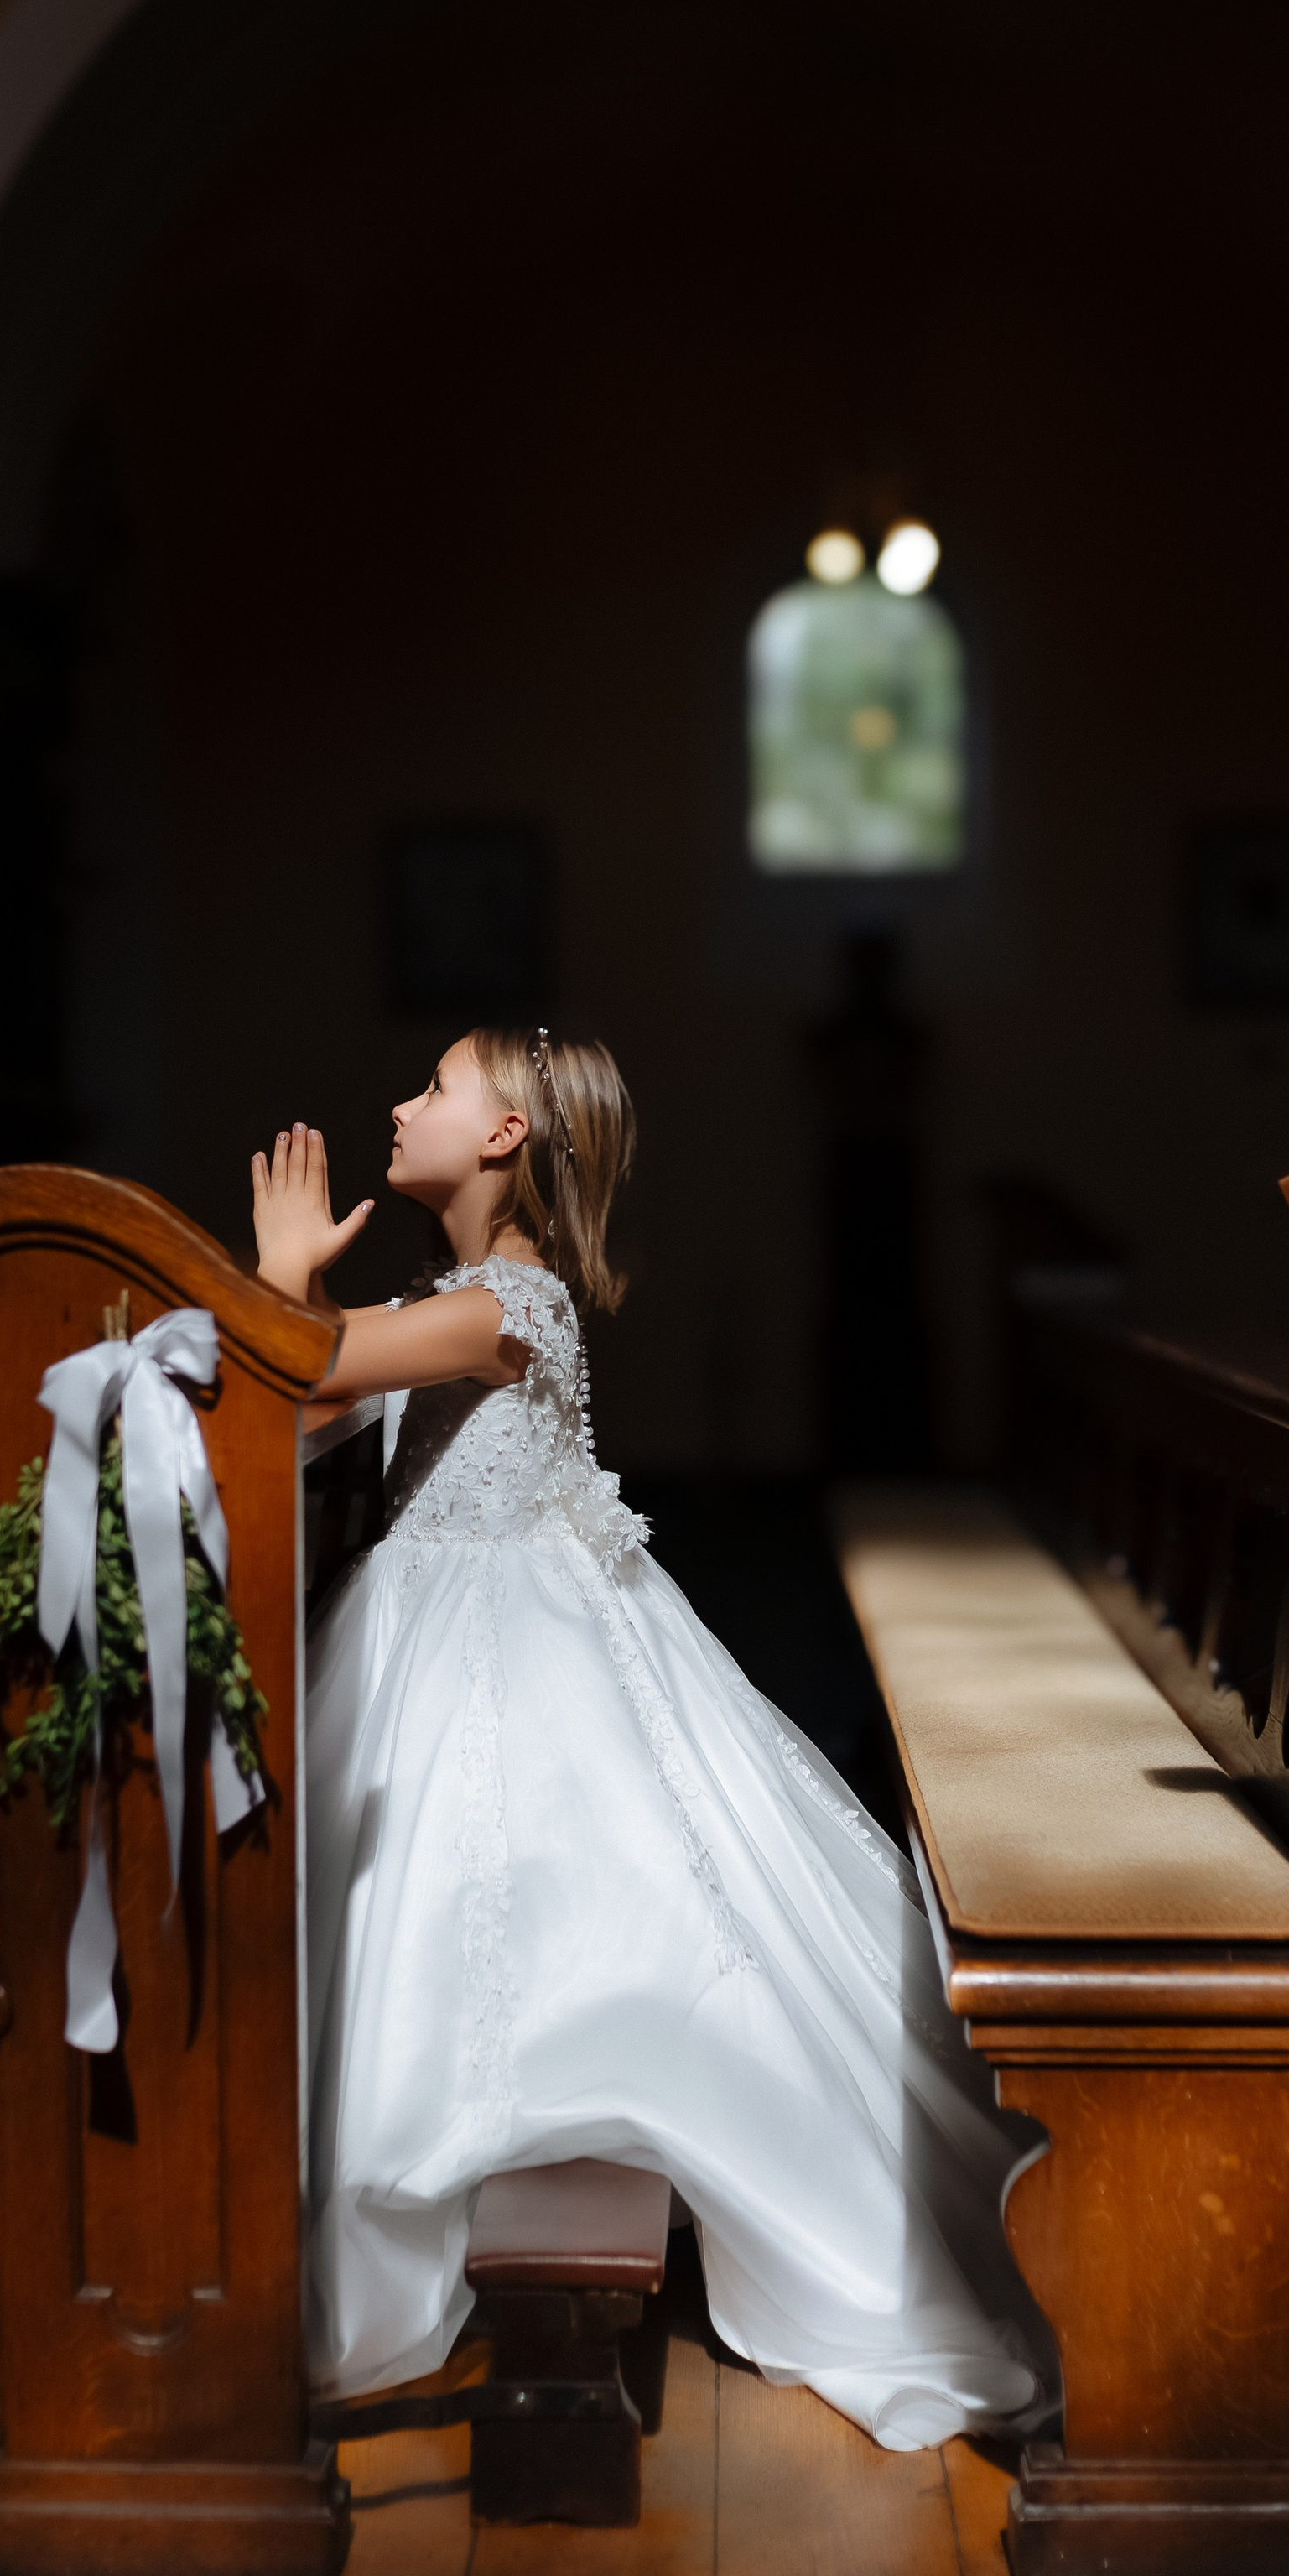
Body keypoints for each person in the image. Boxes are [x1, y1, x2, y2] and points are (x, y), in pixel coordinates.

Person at [250, 1028, 1055, 2452]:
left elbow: (300, 1378)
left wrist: (281, 1272)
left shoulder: (509, 1303)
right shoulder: (460, 1290)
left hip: (505, 1647)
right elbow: (314, 1398)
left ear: (504, 1139)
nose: (400, 1102)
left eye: (434, 1088)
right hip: (436, 1624)